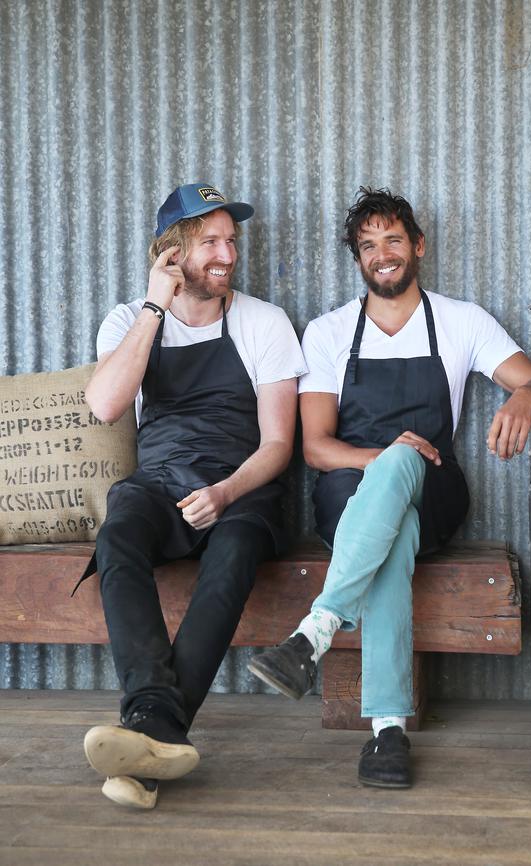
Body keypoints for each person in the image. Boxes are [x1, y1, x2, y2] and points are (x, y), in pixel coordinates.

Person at [248, 186, 531, 789]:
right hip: (349, 493)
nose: (382, 254)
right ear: (358, 260)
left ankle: (317, 630)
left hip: (436, 488)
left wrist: (524, 393)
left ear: (418, 245)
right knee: (391, 532)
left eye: (393, 239)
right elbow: (315, 447)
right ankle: (386, 730)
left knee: (403, 485)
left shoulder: (462, 321)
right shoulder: (330, 332)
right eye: (368, 245)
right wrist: (384, 458)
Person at [81, 182, 306, 809]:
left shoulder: (263, 322)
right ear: (171, 252)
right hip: (160, 484)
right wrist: (156, 306)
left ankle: (149, 726)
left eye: (230, 240)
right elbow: (104, 405)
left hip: (243, 489)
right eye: (209, 241)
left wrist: (227, 491)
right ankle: (155, 727)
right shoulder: (129, 322)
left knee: (231, 556)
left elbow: (279, 444)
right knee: (117, 534)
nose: (227, 254)